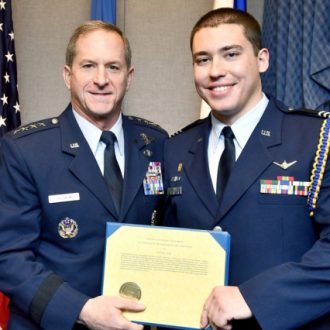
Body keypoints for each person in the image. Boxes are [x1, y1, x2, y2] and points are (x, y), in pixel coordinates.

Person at [163, 8, 330, 330]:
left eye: (231, 54)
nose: (216, 71)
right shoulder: (175, 148)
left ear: (262, 59)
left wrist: (256, 297)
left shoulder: (317, 138)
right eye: (203, 59)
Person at [0, 21, 168, 329]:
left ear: (129, 78)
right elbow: (8, 255)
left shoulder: (155, 143)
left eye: (113, 67)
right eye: (88, 65)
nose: (101, 79)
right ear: (68, 75)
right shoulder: (25, 150)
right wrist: (82, 310)